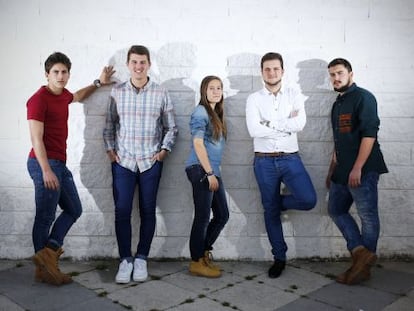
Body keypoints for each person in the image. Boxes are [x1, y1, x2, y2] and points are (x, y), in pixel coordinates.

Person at [27, 52, 114, 286]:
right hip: (42, 162)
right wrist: (46, 170)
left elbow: (76, 96)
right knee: (45, 216)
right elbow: (36, 139)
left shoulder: (63, 95)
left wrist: (98, 83)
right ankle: (47, 268)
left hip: (59, 164)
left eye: (64, 72)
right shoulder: (38, 99)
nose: (61, 76)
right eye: (55, 72)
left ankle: (48, 255)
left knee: (73, 209)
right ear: (47, 74)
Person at [103, 45, 178, 284]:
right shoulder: (117, 91)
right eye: (134, 62)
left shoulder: (160, 92)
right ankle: (125, 260)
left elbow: (171, 126)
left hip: (150, 162)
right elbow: (109, 125)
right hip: (123, 161)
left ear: (149, 64)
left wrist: (164, 150)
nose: (138, 66)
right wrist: (110, 150)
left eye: (142, 62)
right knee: (122, 210)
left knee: (148, 210)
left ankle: (142, 258)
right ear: (128, 64)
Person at [245, 52, 317, 278]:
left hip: (290, 158)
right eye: (267, 69)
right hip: (264, 161)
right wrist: (286, 125)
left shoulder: (294, 94)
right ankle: (279, 257)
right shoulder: (253, 99)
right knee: (270, 211)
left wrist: (269, 123)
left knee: (308, 199)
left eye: (276, 69)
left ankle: (279, 203)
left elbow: (300, 123)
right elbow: (254, 130)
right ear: (262, 72)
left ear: (283, 71)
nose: (272, 73)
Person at [326, 58, 388, 285]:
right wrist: (331, 170)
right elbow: (338, 140)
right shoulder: (338, 103)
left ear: (351, 73)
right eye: (332, 75)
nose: (336, 78)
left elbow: (369, 134)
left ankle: (361, 267)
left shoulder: (364, 97)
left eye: (340, 73)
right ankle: (361, 254)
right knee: (335, 209)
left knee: (367, 216)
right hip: (342, 170)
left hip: (364, 168)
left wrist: (358, 167)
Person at [185, 76, 229, 278]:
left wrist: (214, 172)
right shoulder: (201, 112)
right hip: (202, 170)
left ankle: (203, 252)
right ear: (204, 91)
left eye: (219, 88)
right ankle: (196, 261)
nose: (216, 91)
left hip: (213, 171)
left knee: (222, 215)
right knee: (202, 217)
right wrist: (209, 173)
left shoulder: (215, 114)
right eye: (211, 88)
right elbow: (198, 143)